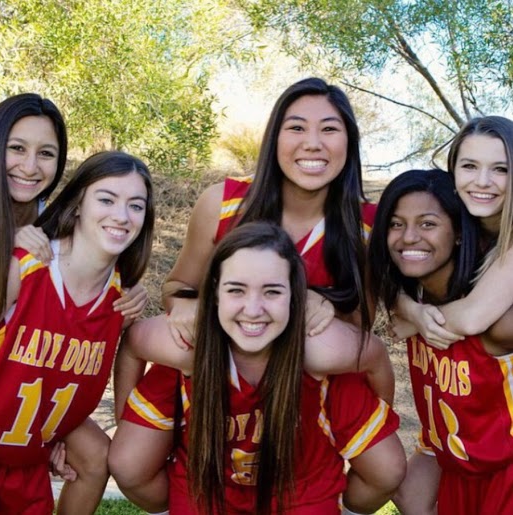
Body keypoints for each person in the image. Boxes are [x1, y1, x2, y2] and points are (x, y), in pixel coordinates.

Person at [109, 78, 395, 512]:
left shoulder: (368, 225)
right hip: (215, 381)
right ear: (274, 137)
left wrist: (326, 304)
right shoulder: (223, 202)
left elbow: (361, 330)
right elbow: (176, 288)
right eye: (296, 127)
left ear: (350, 142)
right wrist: (187, 302)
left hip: (307, 390)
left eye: (330, 129)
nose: (312, 144)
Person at [122, 221, 404, 514]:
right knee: (127, 463)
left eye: (272, 292)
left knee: (388, 467)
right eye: (236, 290)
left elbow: (376, 356)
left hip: (301, 489)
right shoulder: (183, 346)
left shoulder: (322, 352)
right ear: (215, 292)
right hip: (205, 486)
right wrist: (125, 421)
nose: (253, 309)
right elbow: (132, 344)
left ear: (296, 295)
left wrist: (381, 413)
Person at [0, 93, 148, 514]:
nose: (30, 166)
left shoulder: (47, 228)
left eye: (46, 153)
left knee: (93, 453)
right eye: (17, 148)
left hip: (17, 406)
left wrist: (50, 427)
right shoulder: (22, 264)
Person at [369, 168, 513, 514]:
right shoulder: (413, 297)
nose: (409, 237)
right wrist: (410, 310)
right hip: (455, 464)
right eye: (396, 224)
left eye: (428, 224)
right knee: (406, 494)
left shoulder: (495, 318)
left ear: (461, 234)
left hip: (504, 472)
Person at [394, 116, 513, 346]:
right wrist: (410, 309)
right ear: (453, 169)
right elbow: (384, 276)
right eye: (470, 166)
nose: (482, 181)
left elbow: (472, 318)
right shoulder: (453, 219)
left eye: (500, 169)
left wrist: (417, 321)